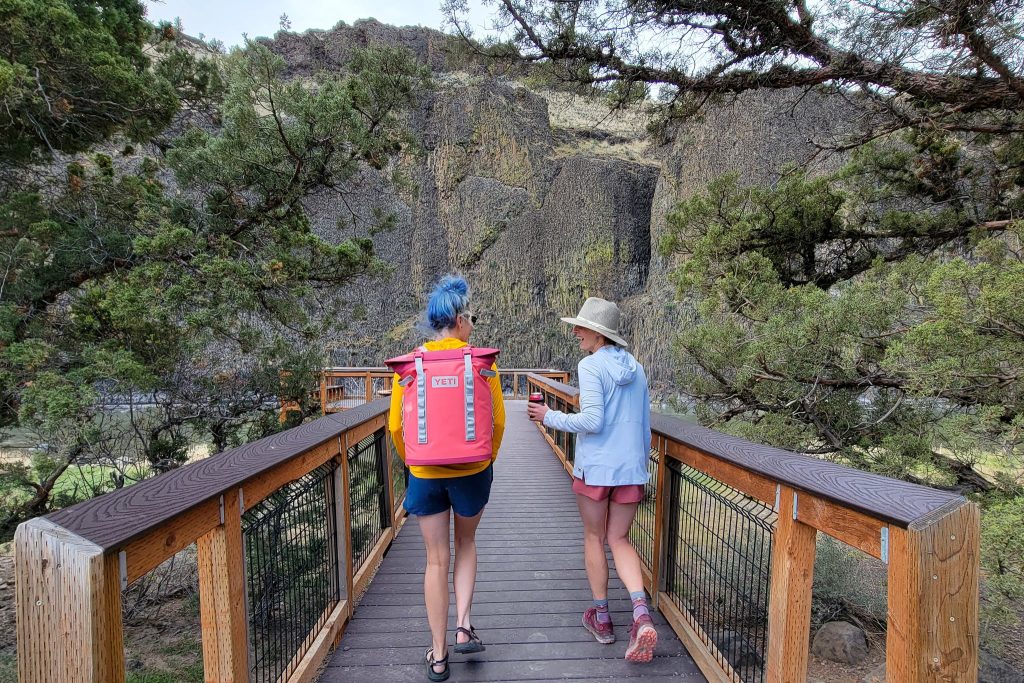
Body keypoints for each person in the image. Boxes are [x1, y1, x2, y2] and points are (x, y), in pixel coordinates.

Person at [387, 275, 505, 682]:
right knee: (467, 542)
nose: (472, 323)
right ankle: (464, 625)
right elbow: (498, 423)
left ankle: (438, 656)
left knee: (436, 560)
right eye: (470, 316)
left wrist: (415, 463)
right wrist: (485, 462)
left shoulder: (410, 366)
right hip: (473, 471)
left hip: (425, 474)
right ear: (458, 320)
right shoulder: (482, 363)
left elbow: (396, 429)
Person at [526, 296, 657, 663]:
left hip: (598, 468)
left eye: (581, 327)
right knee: (620, 539)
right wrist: (640, 464)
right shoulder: (638, 368)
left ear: (599, 334)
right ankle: (641, 615)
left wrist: (549, 416)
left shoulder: (590, 366)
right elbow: (644, 426)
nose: (575, 332)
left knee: (594, 538)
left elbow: (593, 421)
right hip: (631, 468)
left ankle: (602, 619)